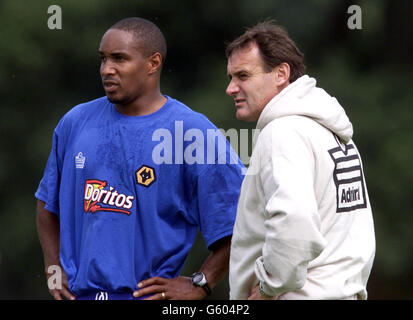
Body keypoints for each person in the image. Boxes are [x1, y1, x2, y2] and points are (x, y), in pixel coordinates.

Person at [35, 17, 245, 300]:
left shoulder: (192, 132)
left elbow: (243, 220)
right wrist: (53, 267)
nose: (107, 69)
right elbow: (47, 204)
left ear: (153, 63)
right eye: (103, 59)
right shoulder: (75, 122)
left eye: (119, 59)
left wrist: (201, 283)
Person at [226, 21, 375, 300]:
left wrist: (270, 286)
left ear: (281, 73)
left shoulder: (283, 132)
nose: (231, 88)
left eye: (243, 76)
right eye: (231, 77)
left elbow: (294, 222)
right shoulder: (330, 129)